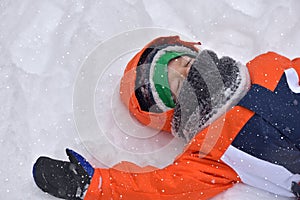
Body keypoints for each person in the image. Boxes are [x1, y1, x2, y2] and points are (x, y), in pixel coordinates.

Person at [32, 36, 300, 200]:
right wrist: (93, 184)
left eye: (184, 64)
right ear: (173, 112)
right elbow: (158, 190)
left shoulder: (269, 65)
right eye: (175, 86)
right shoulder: (208, 153)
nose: (188, 74)